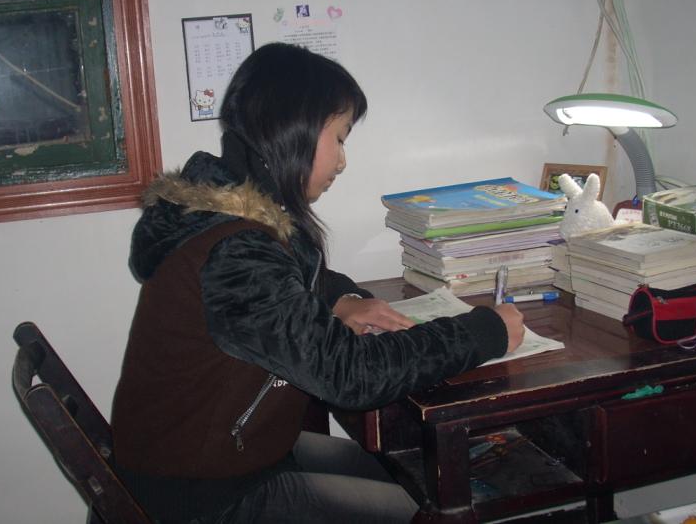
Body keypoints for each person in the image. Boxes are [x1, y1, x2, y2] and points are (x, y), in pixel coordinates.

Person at [110, 42, 525, 523]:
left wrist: (339, 298)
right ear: (293, 130)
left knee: (406, 475)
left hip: (228, 455)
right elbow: (352, 374)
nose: (343, 161)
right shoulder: (236, 250)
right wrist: (484, 332)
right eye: (340, 139)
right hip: (199, 497)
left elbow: (287, 278)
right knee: (420, 511)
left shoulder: (227, 217)